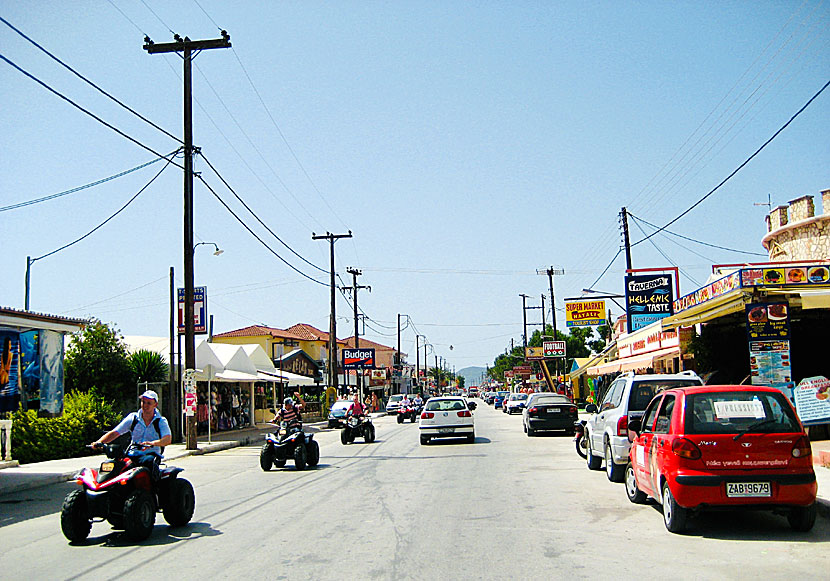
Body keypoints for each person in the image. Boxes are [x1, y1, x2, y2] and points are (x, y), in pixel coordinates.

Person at [92, 390, 171, 481]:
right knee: (117, 467)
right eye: (143, 402)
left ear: (155, 405)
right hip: (132, 454)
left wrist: (152, 443)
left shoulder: (161, 421)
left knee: (148, 463)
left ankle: (154, 492)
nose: (145, 405)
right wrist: (99, 442)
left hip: (150, 455)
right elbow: (115, 432)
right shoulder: (133, 418)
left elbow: (167, 439)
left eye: (149, 403)